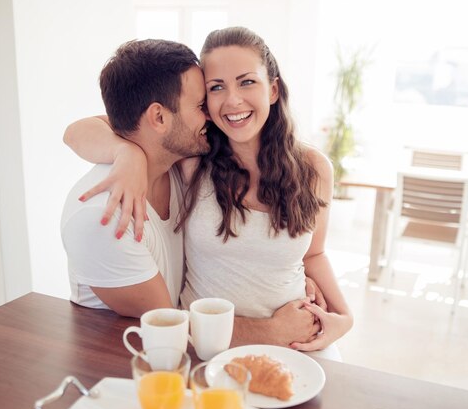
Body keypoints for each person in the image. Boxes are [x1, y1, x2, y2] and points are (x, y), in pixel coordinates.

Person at [66, 28, 346, 354]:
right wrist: (126, 153)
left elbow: (313, 254)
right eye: (213, 90)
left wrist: (344, 317)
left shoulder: (312, 167)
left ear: (272, 89)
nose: (231, 100)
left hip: (302, 336)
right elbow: (87, 128)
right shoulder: (192, 158)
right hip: (212, 345)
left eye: (247, 81)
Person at [60, 39, 210, 318]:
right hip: (128, 357)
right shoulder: (101, 216)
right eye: (201, 105)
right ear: (159, 118)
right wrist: (274, 330)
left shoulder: (175, 164)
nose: (211, 115)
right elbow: (169, 326)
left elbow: (84, 127)